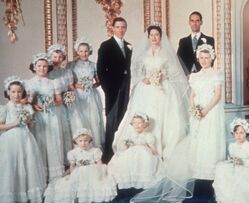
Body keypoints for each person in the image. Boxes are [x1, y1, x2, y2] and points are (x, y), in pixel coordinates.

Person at [113, 24, 190, 161]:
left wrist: (162, 77)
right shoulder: (143, 54)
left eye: (157, 35)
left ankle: (162, 149)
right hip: (146, 89)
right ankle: (144, 147)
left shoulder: (167, 53)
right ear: (148, 37)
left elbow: (176, 73)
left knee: (165, 117)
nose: (154, 37)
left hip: (163, 88)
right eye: (152, 35)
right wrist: (144, 79)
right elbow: (136, 72)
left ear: (160, 37)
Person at [0, 76, 46, 203]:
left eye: (19, 92)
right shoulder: (5, 108)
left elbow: (31, 125)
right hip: (11, 140)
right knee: (11, 166)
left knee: (28, 164)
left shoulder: (27, 107)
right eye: (13, 92)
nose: (16, 95)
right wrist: (15, 123)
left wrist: (28, 121)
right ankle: (12, 195)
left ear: (23, 92)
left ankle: (26, 194)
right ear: (8, 92)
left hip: (26, 138)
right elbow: (0, 126)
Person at [188, 43, 226, 195]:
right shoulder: (194, 76)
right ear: (198, 59)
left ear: (212, 58)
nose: (204, 60)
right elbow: (192, 95)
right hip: (198, 111)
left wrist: (205, 110)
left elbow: (217, 96)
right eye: (201, 58)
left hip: (211, 110)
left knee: (210, 139)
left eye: (207, 57)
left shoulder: (216, 74)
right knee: (198, 140)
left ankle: (210, 174)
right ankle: (198, 172)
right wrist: (194, 109)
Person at [44, 128, 117, 203]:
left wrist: (101, 172)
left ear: (89, 141)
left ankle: (91, 195)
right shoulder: (73, 153)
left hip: (92, 171)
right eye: (80, 141)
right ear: (76, 141)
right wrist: (72, 175)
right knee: (74, 183)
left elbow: (99, 162)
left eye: (85, 141)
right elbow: (72, 165)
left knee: (95, 182)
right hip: (79, 171)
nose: (83, 143)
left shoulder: (94, 151)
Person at [97, 17, 132, 163]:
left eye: (123, 27)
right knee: (112, 118)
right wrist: (107, 88)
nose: (121, 30)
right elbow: (100, 69)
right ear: (113, 28)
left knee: (123, 116)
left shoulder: (129, 45)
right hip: (112, 87)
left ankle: (119, 150)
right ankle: (108, 154)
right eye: (118, 27)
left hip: (125, 85)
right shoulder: (106, 45)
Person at [26, 53, 65, 182]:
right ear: (34, 67)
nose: (42, 69)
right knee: (40, 141)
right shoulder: (28, 83)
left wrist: (52, 102)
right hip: (37, 116)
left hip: (51, 115)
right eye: (39, 66)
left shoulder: (54, 82)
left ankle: (55, 175)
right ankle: (40, 174)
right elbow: (26, 101)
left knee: (53, 141)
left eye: (44, 66)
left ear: (48, 67)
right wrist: (33, 104)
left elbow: (59, 100)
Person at [213, 118, 249, 203]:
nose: (238, 135)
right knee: (221, 168)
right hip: (237, 167)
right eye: (236, 133)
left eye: (241, 132)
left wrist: (245, 169)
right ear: (233, 133)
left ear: (246, 133)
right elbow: (232, 159)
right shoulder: (232, 146)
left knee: (241, 178)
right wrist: (235, 163)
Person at [66, 38, 105, 149]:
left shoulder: (93, 65)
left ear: (90, 51)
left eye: (86, 51)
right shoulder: (71, 65)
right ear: (77, 52)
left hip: (90, 95)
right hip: (77, 95)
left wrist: (91, 86)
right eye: (81, 51)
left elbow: (98, 81)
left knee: (92, 118)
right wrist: (78, 85)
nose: (84, 53)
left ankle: (93, 145)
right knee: (79, 118)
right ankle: (79, 146)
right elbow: (69, 82)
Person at [108, 113, 160, 189]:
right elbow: (126, 147)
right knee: (125, 160)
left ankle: (142, 179)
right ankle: (130, 178)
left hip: (143, 153)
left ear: (145, 125)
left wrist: (153, 153)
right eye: (134, 123)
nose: (136, 125)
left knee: (146, 160)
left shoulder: (147, 135)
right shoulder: (130, 135)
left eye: (139, 123)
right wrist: (125, 145)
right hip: (131, 153)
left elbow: (153, 148)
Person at [47, 44, 73, 165]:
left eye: (59, 57)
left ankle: (66, 160)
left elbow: (70, 88)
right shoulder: (47, 73)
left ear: (63, 58)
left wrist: (68, 97)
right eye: (54, 57)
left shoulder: (67, 72)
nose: (57, 60)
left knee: (65, 131)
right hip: (51, 106)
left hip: (64, 105)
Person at [177, 11, 215, 75]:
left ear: (201, 22)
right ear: (189, 23)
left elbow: (212, 58)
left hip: (203, 76)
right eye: (192, 21)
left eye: (197, 21)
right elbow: (179, 60)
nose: (194, 23)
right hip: (187, 77)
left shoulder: (209, 40)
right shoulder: (183, 41)